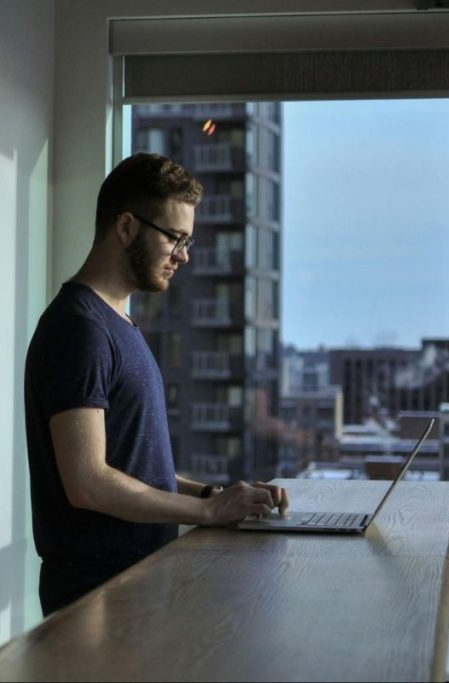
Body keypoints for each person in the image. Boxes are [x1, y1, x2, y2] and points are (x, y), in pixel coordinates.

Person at [24, 153, 289, 616]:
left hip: (132, 586)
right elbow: (88, 482)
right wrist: (208, 515)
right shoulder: (79, 329)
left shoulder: (116, 324)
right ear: (126, 227)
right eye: (176, 238)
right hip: (94, 598)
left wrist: (215, 496)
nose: (183, 255)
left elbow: (130, 467)